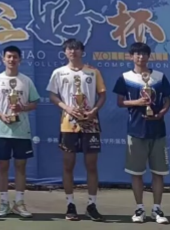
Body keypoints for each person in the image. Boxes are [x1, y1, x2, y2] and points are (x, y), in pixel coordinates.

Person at [112, 42, 170, 224]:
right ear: (131, 57)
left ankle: (157, 209)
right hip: (136, 131)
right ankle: (139, 208)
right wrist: (137, 102)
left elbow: (168, 101)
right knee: (136, 173)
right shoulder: (125, 77)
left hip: (158, 131)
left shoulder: (159, 77)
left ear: (149, 56)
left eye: (144, 54)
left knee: (158, 173)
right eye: (137, 54)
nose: (140, 57)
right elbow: (120, 102)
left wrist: (161, 113)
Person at [46, 38, 106, 222]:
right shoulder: (58, 73)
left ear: (82, 51)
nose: (73, 52)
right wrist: (67, 108)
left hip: (90, 124)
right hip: (68, 124)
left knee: (91, 165)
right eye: (69, 49)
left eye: (76, 49)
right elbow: (52, 95)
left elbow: (102, 94)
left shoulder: (93, 72)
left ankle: (92, 205)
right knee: (68, 165)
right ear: (65, 52)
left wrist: (94, 111)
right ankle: (70, 205)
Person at [0, 45, 40, 218]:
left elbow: (34, 103)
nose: (11, 60)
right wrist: (0, 115)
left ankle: (19, 203)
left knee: (21, 166)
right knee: (3, 166)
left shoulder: (26, 81)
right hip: (2, 131)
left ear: (20, 59)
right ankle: (3, 202)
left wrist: (23, 107)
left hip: (22, 132)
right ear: (3, 59)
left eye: (15, 57)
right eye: (8, 57)